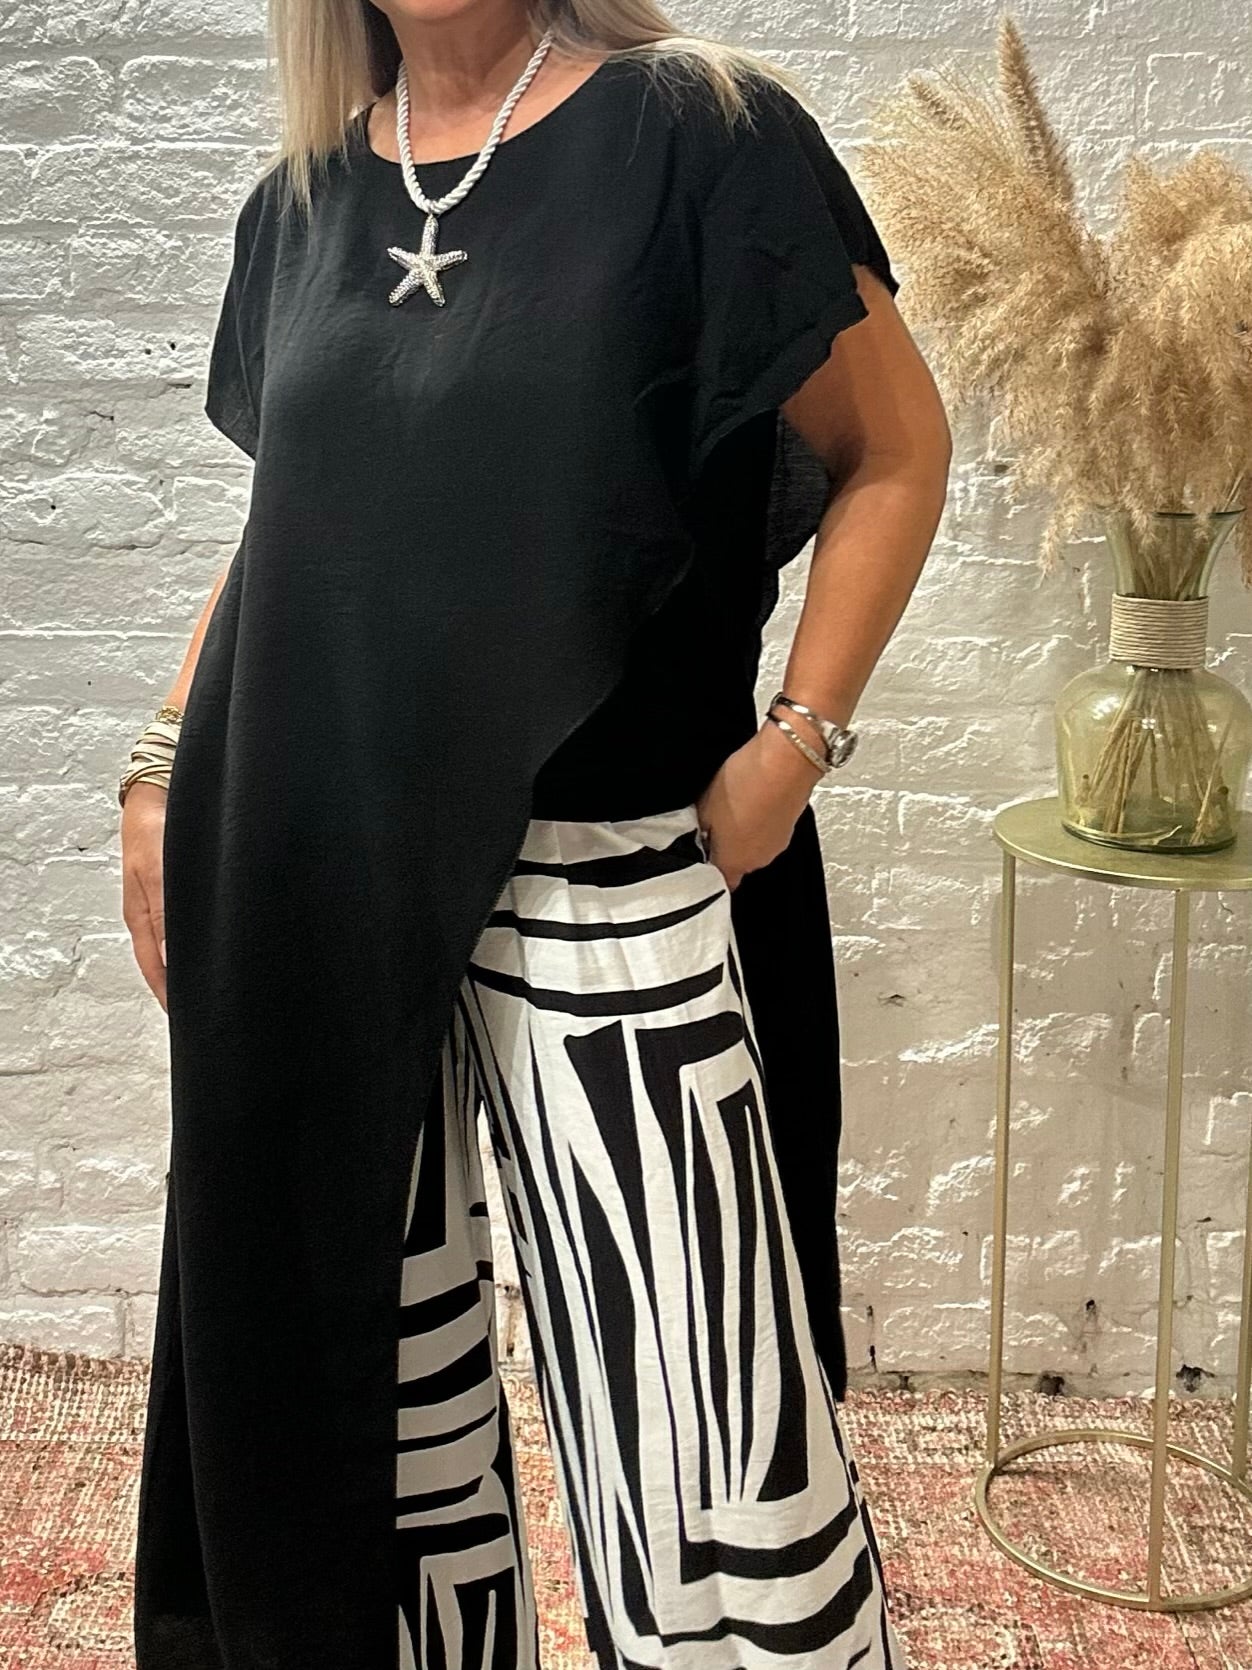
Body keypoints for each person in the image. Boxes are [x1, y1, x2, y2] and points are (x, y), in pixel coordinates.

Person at [118, 1, 950, 1666]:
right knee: (372, 1429)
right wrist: (162, 767)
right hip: (321, 874)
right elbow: (300, 530)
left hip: (610, 879)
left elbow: (895, 448)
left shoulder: (701, 135)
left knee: (708, 1450)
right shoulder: (302, 205)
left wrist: (788, 754)